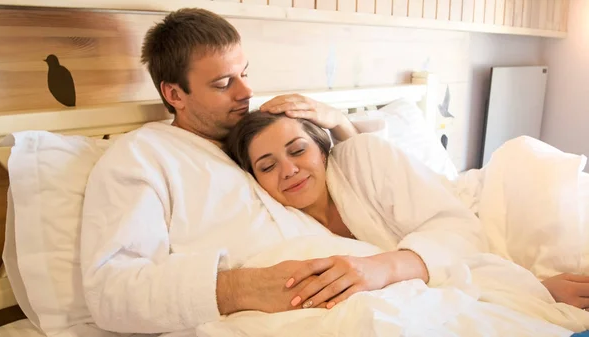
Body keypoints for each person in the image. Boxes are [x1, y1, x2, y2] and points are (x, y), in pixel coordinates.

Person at [80, 7, 360, 334]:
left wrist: (341, 124)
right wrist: (240, 288)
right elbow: (112, 292)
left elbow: (366, 197)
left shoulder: (261, 137)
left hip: (351, 287)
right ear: (174, 94)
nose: (246, 92)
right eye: (224, 83)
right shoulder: (141, 157)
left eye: (245, 73)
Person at [224, 110, 487, 310]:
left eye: (298, 150)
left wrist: (384, 268)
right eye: (268, 167)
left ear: (322, 150)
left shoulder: (364, 156)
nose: (289, 170)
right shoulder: (275, 225)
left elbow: (459, 229)